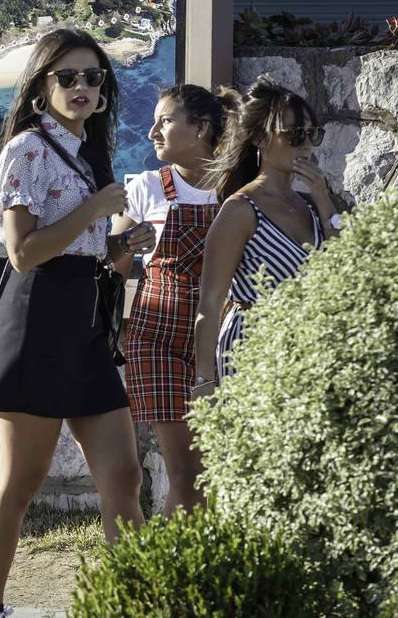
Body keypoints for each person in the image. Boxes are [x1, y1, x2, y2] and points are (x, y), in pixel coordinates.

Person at [0, 29, 153, 618]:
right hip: (37, 316)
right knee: (22, 481)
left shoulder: (88, 152)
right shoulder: (26, 149)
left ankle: (132, 602)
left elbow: (89, 251)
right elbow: (24, 253)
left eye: (93, 77)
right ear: (41, 85)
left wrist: (125, 243)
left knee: (123, 475)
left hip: (86, 318)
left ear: (104, 91)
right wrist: (95, 211)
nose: (81, 87)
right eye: (68, 76)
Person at [110, 84, 238, 515]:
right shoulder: (147, 186)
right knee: (186, 473)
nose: (152, 132)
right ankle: (161, 576)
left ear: (201, 128)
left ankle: (185, 569)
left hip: (222, 344)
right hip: (158, 340)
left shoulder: (235, 192)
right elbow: (109, 259)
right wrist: (127, 242)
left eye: (164, 120)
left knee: (214, 473)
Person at [193, 78, 339, 394]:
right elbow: (212, 299)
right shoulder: (241, 209)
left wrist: (325, 200)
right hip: (252, 352)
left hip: (309, 353)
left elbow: (345, 270)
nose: (306, 145)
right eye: (295, 134)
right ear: (260, 138)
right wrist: (204, 382)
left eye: (312, 134)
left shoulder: (312, 207)